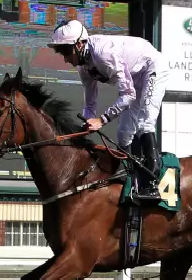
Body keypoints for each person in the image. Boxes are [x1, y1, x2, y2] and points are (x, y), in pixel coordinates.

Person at [48, 18, 169, 200]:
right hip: (134, 79)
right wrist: (86, 125)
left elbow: (128, 95)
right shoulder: (83, 67)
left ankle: (152, 182)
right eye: (61, 52)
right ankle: (135, 179)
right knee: (124, 134)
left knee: (145, 121)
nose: (65, 59)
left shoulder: (103, 54)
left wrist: (102, 120)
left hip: (152, 68)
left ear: (80, 44)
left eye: (66, 51)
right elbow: (90, 105)